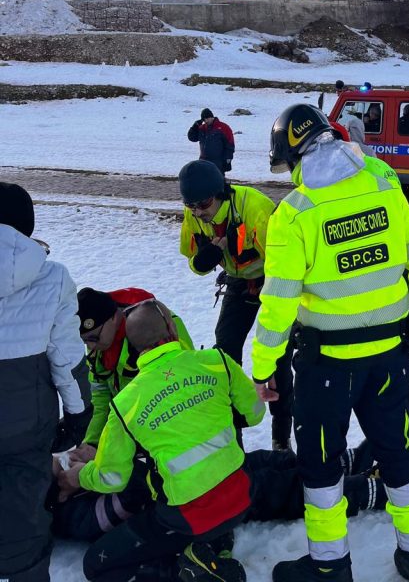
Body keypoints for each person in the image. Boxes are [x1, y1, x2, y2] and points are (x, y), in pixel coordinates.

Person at [252, 104, 409, 582]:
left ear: (293, 154)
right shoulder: (383, 184)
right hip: (389, 359)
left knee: (321, 467)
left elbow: (277, 302)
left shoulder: (294, 213)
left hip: (326, 367)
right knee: (398, 453)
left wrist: (263, 366)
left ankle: (329, 567)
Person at [58, 299, 265, 582]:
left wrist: (78, 477)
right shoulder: (218, 362)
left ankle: (189, 569)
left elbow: (112, 478)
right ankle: (216, 543)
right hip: (242, 495)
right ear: (171, 326)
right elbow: (254, 415)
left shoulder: (126, 403)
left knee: (97, 565)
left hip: (188, 516)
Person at [0, 182, 92, 582]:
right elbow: (67, 358)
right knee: (24, 517)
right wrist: (78, 414)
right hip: (26, 422)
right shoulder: (53, 277)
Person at [51, 441, 386, 543]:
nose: (66, 460)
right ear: (59, 493)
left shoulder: (72, 485)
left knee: (263, 462)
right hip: (197, 501)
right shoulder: (76, 517)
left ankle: (344, 461)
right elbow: (134, 495)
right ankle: (373, 490)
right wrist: (95, 474)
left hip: (197, 475)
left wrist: (93, 457)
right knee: (277, 490)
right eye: (59, 464)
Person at [178, 159, 294, 450]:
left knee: (277, 357)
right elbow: (193, 261)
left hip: (272, 280)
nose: (197, 212)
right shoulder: (194, 215)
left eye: (203, 204)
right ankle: (234, 437)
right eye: (190, 205)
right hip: (238, 281)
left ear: (220, 193)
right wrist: (201, 262)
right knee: (225, 354)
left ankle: (281, 438)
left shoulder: (254, 208)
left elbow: (285, 262)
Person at [76, 287, 194, 446]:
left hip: (170, 429)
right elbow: (100, 395)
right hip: (130, 425)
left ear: (113, 317)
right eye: (84, 341)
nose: (91, 345)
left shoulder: (157, 328)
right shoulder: (98, 341)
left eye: (94, 338)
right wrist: (92, 442)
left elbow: (182, 388)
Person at [187, 109, 235, 175]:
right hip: (203, 161)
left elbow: (230, 144)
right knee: (204, 180)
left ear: (211, 117)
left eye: (207, 118)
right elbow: (192, 138)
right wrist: (194, 127)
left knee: (218, 181)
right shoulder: (202, 128)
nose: (206, 121)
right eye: (204, 119)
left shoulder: (223, 127)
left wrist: (228, 159)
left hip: (218, 162)